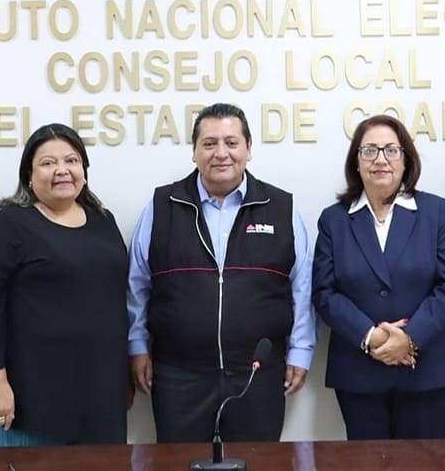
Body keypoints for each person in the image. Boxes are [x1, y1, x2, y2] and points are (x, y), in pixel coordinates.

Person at [127, 103, 315, 443]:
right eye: (209, 143)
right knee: (179, 465)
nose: (221, 153)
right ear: (194, 152)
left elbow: (302, 286)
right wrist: (137, 346)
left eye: (231, 142)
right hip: (178, 376)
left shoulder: (281, 208)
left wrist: (301, 350)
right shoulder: (161, 207)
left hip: (257, 374)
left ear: (249, 149)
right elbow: (137, 286)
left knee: (257, 465)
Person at [0, 123, 128, 446]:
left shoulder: (103, 221)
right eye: (48, 163)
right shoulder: (8, 224)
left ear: (84, 169)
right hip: (27, 402)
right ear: (28, 175)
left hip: (99, 398)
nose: (62, 170)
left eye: (71, 161)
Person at [312, 114, 445, 440]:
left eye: (391, 150)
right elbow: (325, 293)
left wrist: (409, 339)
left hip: (426, 370)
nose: (380, 159)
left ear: (406, 160)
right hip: (359, 371)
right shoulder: (334, 220)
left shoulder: (436, 212)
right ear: (356, 162)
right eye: (370, 150)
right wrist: (373, 337)